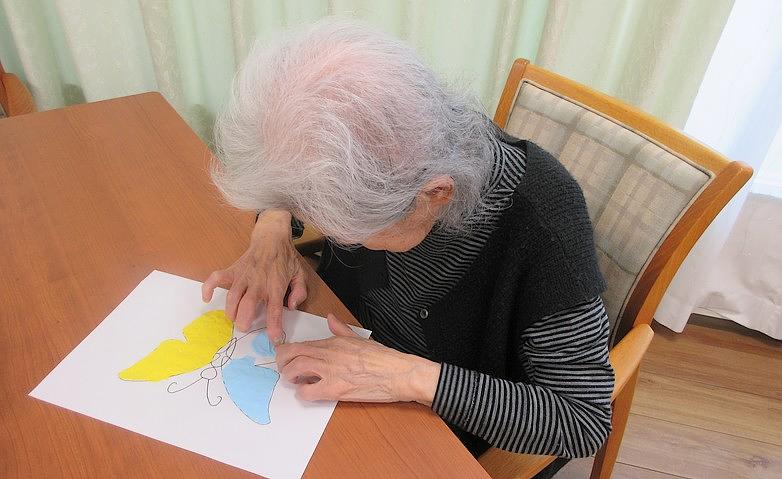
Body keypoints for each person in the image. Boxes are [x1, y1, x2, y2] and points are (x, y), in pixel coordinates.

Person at [203, 18, 614, 460]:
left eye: (349, 232)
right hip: (341, 344)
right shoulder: (405, 128)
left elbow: (582, 421)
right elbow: (300, 164)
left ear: (435, 195)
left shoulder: (546, 226)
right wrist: (273, 228)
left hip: (436, 421)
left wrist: (406, 376)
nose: (330, 233)